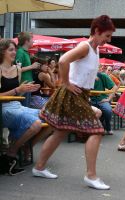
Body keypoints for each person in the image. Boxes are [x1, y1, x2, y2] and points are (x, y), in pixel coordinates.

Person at [33, 15, 115, 190]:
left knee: (60, 132)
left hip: (78, 94)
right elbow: (63, 60)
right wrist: (66, 83)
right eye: (107, 36)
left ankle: (39, 167)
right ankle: (91, 176)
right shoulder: (85, 46)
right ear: (97, 31)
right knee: (97, 131)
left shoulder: (93, 48)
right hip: (73, 94)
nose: (108, 40)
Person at [0, 39, 46, 173]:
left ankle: (26, 146)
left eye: (15, 49)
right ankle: (12, 152)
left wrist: (27, 89)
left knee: (51, 118)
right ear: (2, 51)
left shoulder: (18, 69)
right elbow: (8, 94)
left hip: (17, 105)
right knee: (36, 124)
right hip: (4, 108)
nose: (14, 52)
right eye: (11, 50)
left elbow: (17, 93)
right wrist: (18, 90)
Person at [15, 32, 40, 107]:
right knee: (24, 108)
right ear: (26, 41)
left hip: (27, 85)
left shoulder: (24, 52)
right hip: (23, 85)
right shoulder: (20, 52)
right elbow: (16, 69)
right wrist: (32, 67)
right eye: (32, 39)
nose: (33, 41)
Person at [91, 71, 118, 135]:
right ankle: (98, 127)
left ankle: (107, 127)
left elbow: (115, 87)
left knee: (108, 110)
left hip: (101, 99)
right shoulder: (85, 75)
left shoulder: (102, 75)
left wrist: (108, 99)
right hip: (89, 100)